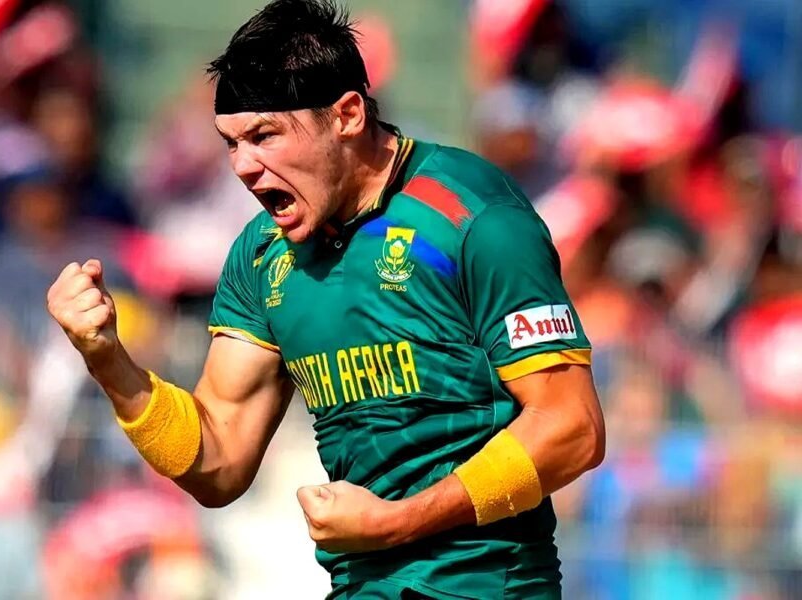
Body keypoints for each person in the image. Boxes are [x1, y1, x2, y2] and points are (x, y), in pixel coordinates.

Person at [46, 1, 605, 597]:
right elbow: (218, 460)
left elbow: (572, 428)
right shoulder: (262, 255)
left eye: (265, 136)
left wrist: (398, 522)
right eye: (231, 143)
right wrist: (108, 361)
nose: (243, 167)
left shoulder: (475, 217)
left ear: (347, 115)